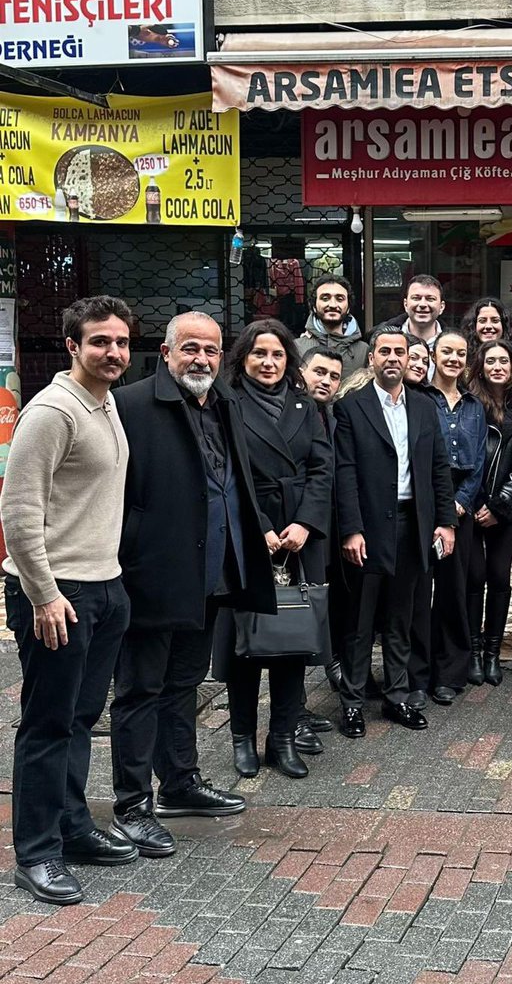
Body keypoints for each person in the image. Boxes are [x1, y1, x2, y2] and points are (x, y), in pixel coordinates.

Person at [110, 312, 275, 859]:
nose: (201, 359)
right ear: (166, 351)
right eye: (191, 349)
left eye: (210, 349)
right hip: (151, 575)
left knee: (184, 683)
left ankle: (179, 783)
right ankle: (132, 805)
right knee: (139, 691)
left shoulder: (224, 402)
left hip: (210, 573)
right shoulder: (132, 405)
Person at [1, 297, 137, 904]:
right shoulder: (52, 411)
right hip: (58, 595)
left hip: (104, 587)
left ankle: (73, 827)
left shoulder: (105, 404)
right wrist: (43, 593)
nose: (113, 352)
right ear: (72, 347)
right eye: (100, 342)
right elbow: (19, 512)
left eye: (121, 342)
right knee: (47, 725)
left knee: (82, 720)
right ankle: (35, 853)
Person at [213, 320, 334, 781]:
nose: (268, 362)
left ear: (290, 360)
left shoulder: (306, 404)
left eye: (278, 354)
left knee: (292, 640)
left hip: (299, 534)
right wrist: (258, 527)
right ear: (243, 357)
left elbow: (323, 468)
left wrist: (304, 522)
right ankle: (242, 736)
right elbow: (222, 469)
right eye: (259, 353)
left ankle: (281, 738)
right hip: (247, 532)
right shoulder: (226, 403)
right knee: (248, 641)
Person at [333, 326, 457, 738]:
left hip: (413, 524)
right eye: (383, 351)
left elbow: (439, 467)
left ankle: (397, 695)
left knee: (401, 617)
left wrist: (445, 521)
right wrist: (350, 528)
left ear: (409, 360)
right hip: (368, 527)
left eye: (399, 352)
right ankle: (351, 702)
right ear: (371, 359)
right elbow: (344, 472)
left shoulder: (423, 407)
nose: (392, 358)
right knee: (360, 620)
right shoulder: (351, 407)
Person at [422, 329, 487, 704]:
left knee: (454, 589)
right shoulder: (418, 397)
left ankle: (450, 671)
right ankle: (419, 669)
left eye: (460, 353)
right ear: (433, 353)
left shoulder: (473, 405)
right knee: (418, 593)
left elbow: (477, 463)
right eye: (446, 351)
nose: (453, 358)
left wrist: (458, 505)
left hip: (459, 506)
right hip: (421, 503)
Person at [466, 338, 512, 685]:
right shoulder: (467, 405)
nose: (497, 366)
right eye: (490, 360)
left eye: (503, 361)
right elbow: (462, 460)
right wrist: (475, 503)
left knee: (499, 578)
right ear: (480, 366)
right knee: (473, 578)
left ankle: (492, 654)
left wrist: (499, 506)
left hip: (503, 512)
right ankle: (473, 653)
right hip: (469, 510)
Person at [299, 346, 347, 703]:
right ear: (302, 371)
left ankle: (331, 664)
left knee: (325, 601)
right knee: (296, 612)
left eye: (333, 376)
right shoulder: (290, 413)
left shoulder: (330, 416)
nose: (325, 380)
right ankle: (294, 709)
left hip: (329, 527)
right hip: (296, 529)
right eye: (319, 372)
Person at [296, 273, 369, 373]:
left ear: (348, 308)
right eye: (325, 298)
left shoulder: (364, 351)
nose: (333, 305)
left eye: (340, 299)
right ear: (313, 306)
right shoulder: (297, 347)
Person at [391, 274, 445, 349]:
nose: (422, 304)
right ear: (405, 304)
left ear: (441, 307)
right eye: (416, 298)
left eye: (430, 299)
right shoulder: (381, 339)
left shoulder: (455, 343)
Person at [462, 297, 512, 362]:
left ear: (503, 325)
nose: (488, 326)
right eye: (482, 321)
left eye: (495, 321)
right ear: (473, 325)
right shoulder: (463, 357)